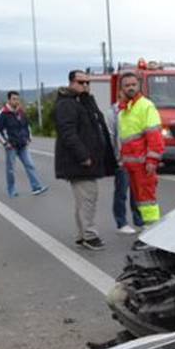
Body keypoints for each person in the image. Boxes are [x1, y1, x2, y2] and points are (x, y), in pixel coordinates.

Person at [54, 69, 116, 250]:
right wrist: (83, 156)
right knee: (88, 198)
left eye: (88, 82)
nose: (86, 86)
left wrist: (88, 98)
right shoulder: (66, 104)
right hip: (79, 162)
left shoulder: (83, 102)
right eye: (81, 82)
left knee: (84, 199)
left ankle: (83, 235)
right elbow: (68, 134)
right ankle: (89, 235)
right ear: (71, 83)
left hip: (89, 160)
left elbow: (97, 124)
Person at [117, 71, 164, 243]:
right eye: (126, 85)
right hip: (132, 166)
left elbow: (155, 136)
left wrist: (152, 160)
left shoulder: (145, 106)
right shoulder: (124, 110)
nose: (130, 88)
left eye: (133, 85)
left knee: (147, 200)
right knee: (140, 201)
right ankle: (148, 231)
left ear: (139, 86)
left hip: (144, 164)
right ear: (121, 88)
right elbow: (126, 139)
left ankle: (154, 235)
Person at [0, 90, 49, 198]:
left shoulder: (21, 112)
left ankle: (36, 187)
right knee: (11, 170)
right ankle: (11, 190)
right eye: (14, 99)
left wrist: (29, 138)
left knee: (30, 165)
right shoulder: (3, 113)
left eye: (17, 99)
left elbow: (26, 126)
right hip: (11, 146)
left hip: (22, 144)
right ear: (9, 100)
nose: (16, 101)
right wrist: (5, 143)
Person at [106, 85, 143, 234]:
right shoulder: (113, 112)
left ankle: (139, 220)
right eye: (125, 89)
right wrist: (116, 157)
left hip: (137, 158)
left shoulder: (136, 109)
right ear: (119, 92)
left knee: (137, 192)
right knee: (121, 191)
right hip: (122, 159)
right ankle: (121, 222)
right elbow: (110, 136)